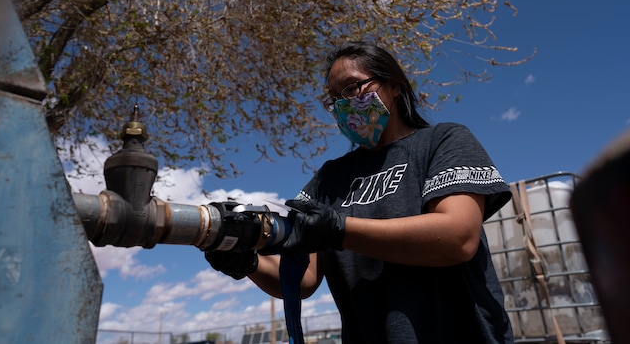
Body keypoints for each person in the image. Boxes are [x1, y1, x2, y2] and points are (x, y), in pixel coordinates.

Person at [205, 41, 514, 343]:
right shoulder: (329, 178)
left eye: (352, 88)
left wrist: (339, 231)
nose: (344, 103)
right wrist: (248, 263)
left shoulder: (443, 141)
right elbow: (305, 277)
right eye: (334, 98)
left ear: (394, 86)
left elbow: (458, 239)